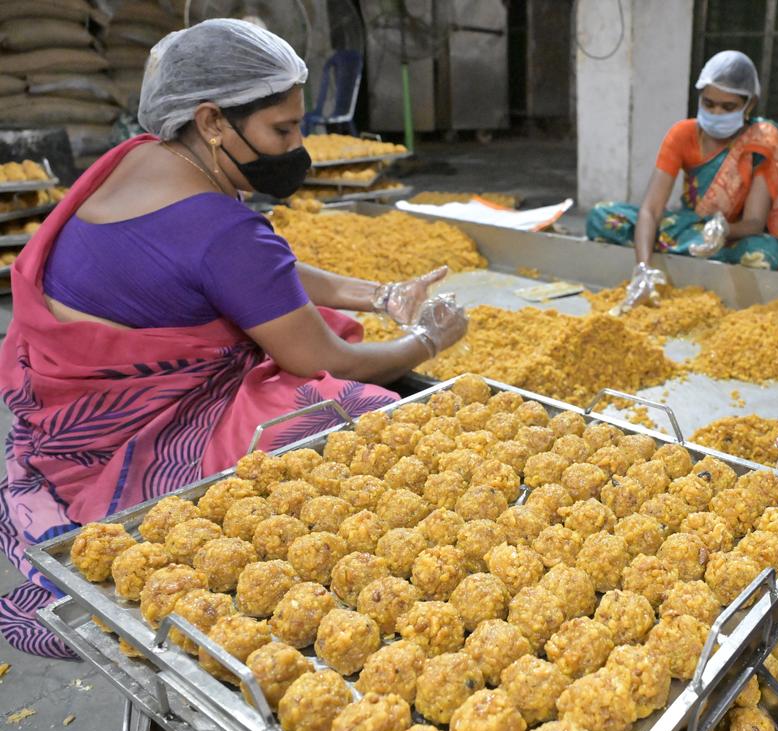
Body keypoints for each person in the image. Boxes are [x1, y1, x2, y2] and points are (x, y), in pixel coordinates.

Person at [0, 20, 468, 658]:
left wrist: (377, 295)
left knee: (324, 321)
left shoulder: (143, 159)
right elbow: (314, 354)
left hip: (60, 418)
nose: (297, 145)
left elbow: (246, 272)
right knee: (362, 406)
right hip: (127, 438)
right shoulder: (220, 227)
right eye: (283, 129)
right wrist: (426, 340)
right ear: (213, 120)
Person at [586, 51, 778, 278]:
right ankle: (683, 253)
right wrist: (643, 268)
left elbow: (754, 221)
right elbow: (651, 209)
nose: (716, 112)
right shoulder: (682, 134)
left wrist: (723, 230)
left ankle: (682, 251)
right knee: (601, 215)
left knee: (766, 253)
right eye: (709, 104)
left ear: (749, 105)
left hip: (728, 238)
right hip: (687, 227)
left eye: (728, 107)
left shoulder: (761, 141)